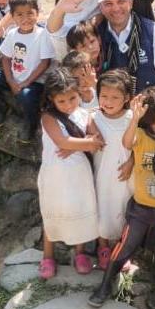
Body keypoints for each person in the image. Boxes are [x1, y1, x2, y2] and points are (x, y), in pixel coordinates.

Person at [89, 87, 155, 308]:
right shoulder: (141, 136)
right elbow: (127, 143)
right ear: (152, 115)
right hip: (143, 208)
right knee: (126, 245)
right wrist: (135, 117)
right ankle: (106, 283)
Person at [37, 67, 102, 278]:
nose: (68, 105)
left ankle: (80, 253)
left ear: (78, 94)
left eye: (72, 99)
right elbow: (62, 141)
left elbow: (98, 141)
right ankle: (48, 255)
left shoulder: (85, 115)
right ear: (52, 100)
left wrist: (75, 144)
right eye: (62, 101)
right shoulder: (48, 117)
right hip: (55, 176)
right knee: (52, 212)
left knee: (78, 211)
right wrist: (80, 143)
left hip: (79, 176)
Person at [0, 0, 55, 135]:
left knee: (26, 95)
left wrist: (26, 83)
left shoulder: (42, 35)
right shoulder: (12, 33)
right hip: (14, 78)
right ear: (13, 16)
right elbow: (6, 58)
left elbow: (44, 63)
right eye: (19, 14)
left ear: (37, 13)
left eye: (30, 13)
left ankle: (31, 122)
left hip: (34, 81)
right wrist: (10, 81)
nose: (25, 18)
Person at [92, 69, 135, 269]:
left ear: (126, 98)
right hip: (102, 175)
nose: (108, 101)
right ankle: (103, 248)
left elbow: (140, 145)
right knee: (103, 208)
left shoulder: (132, 117)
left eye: (115, 97)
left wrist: (131, 162)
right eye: (104, 96)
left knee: (124, 208)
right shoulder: (94, 118)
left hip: (125, 175)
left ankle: (122, 249)